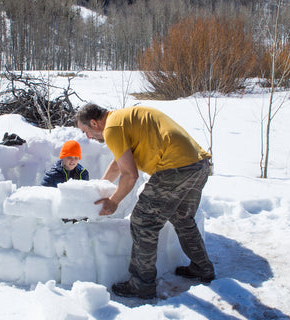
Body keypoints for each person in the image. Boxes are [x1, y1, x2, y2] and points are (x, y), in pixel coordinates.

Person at [75, 103, 215, 299]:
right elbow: (118, 163)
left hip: (175, 169)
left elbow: (129, 175)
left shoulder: (112, 128)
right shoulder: (122, 119)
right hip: (198, 165)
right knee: (182, 218)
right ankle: (202, 268)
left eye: (86, 131)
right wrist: (100, 186)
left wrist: (114, 201)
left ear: (94, 122)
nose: (88, 137)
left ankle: (141, 284)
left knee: (143, 222)